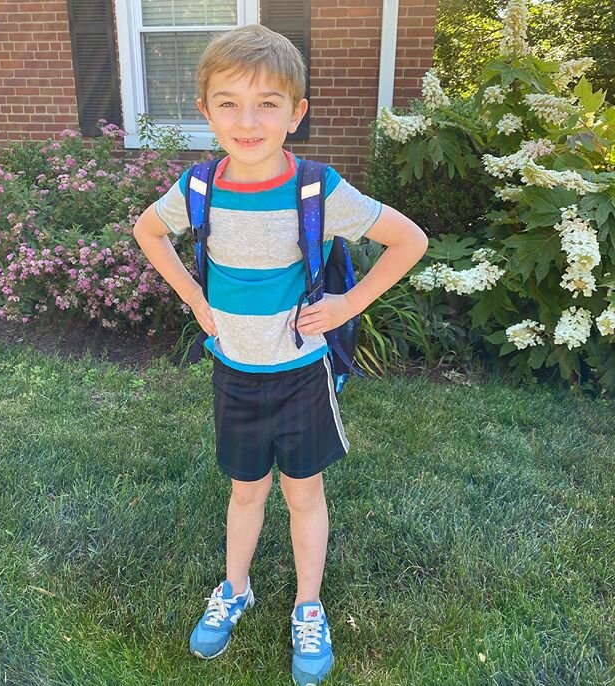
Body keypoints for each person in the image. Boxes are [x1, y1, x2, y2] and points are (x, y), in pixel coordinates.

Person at [133, 23, 428, 686]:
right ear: (204, 111)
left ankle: (307, 602)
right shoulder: (199, 188)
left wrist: (350, 306)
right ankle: (235, 587)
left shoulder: (319, 190)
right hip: (234, 373)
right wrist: (192, 298)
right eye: (229, 102)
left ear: (296, 113)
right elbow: (148, 231)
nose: (247, 119)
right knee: (245, 493)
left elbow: (410, 241)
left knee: (302, 493)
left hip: (300, 374)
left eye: (268, 102)